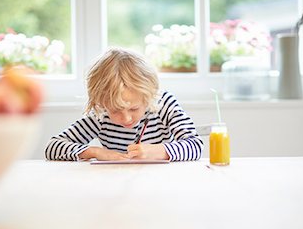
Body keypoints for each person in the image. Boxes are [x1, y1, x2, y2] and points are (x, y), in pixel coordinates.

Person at [45, 47, 203, 162]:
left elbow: (196, 145)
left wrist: (159, 151)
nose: (126, 118)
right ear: (102, 103)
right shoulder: (100, 115)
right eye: (115, 110)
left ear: (148, 96)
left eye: (134, 108)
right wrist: (95, 152)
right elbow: (52, 147)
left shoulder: (163, 104)